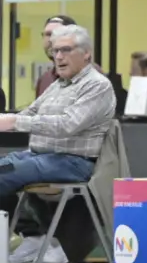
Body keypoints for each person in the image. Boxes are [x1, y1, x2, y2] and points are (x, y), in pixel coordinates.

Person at [0, 25, 115, 199]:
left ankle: (20, 224)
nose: (59, 57)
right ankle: (21, 225)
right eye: (55, 51)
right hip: (39, 156)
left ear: (87, 53)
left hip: (73, 162)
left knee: (5, 173)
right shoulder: (58, 85)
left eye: (66, 50)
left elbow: (68, 125)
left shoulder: (97, 85)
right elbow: (30, 113)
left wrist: (14, 121)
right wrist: (9, 120)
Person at [33, 15, 77, 98]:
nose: (50, 39)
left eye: (56, 34)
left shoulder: (90, 77)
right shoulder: (45, 80)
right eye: (47, 34)